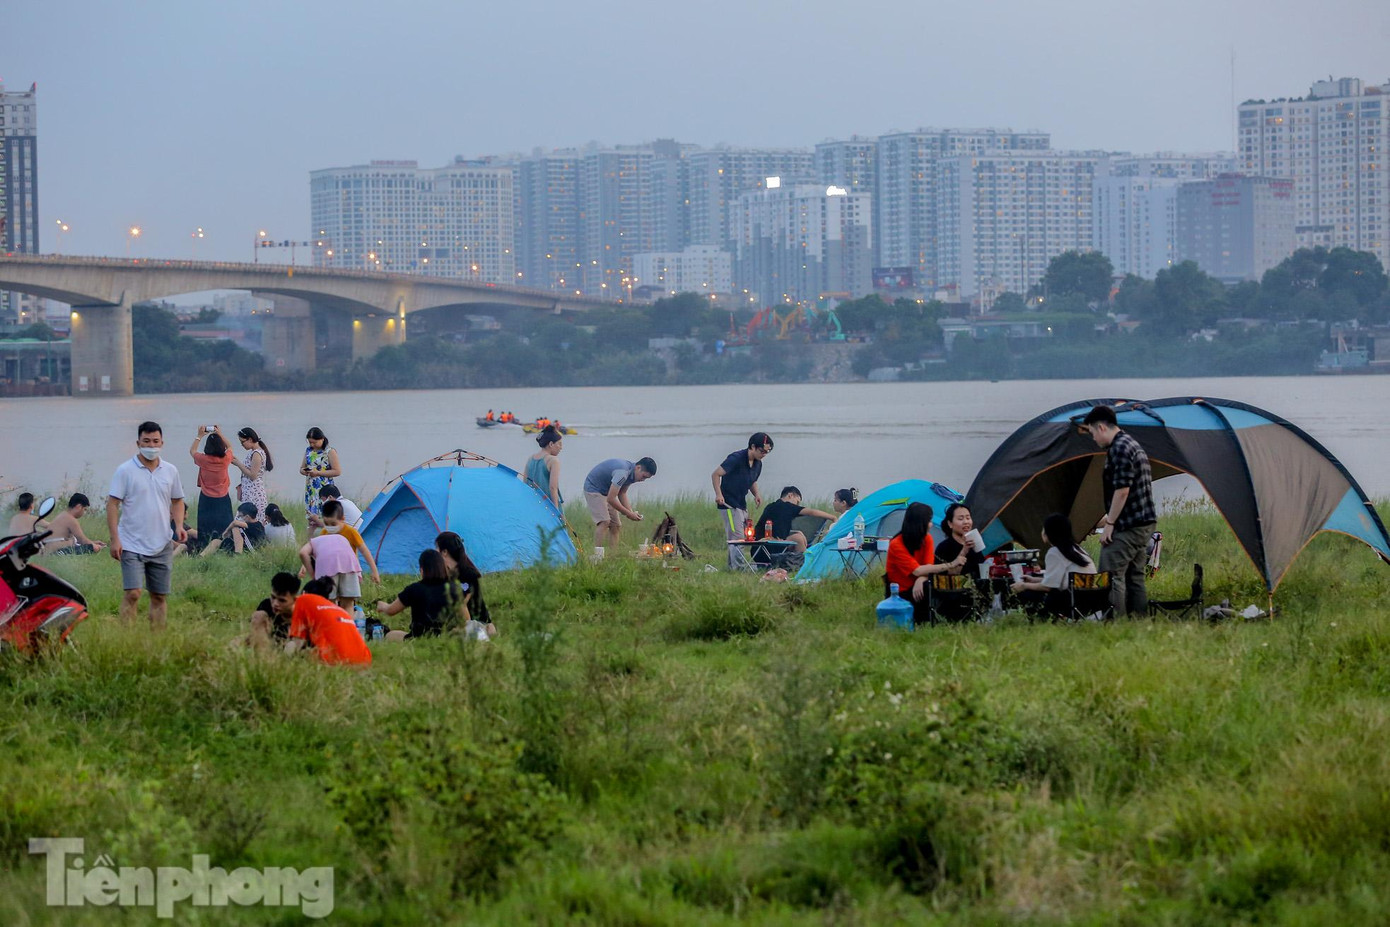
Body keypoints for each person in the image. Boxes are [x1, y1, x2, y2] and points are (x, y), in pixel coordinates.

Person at [108, 421, 187, 629]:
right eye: (146, 441)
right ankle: (128, 639)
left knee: (159, 596)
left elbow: (177, 500)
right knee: (133, 593)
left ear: (162, 442)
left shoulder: (170, 471)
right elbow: (112, 504)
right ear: (138, 442)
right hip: (131, 543)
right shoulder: (125, 470)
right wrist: (115, 539)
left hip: (162, 542)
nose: (151, 446)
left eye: (155, 441)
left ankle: (156, 642)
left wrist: (178, 525)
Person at [1083, 404, 1157, 617]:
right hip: (1144, 522)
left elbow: (1122, 490)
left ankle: (1112, 623)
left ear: (1102, 428)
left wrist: (1110, 524)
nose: (1094, 439)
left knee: (1110, 574)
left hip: (1128, 524)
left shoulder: (1120, 449)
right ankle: (1138, 622)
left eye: (1093, 433)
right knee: (1135, 576)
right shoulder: (1132, 444)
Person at [886, 502, 966, 622]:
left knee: (933, 585)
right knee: (928, 588)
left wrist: (921, 579)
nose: (931, 524)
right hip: (899, 591)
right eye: (929, 521)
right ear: (920, 523)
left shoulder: (927, 539)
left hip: (919, 585)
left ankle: (946, 619)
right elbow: (917, 570)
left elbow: (927, 566)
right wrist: (951, 564)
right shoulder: (896, 544)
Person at [1010, 512, 1096, 616]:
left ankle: (1038, 624)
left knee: (1028, 593)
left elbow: (1048, 587)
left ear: (1048, 532)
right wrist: (1034, 580)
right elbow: (1062, 581)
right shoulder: (1076, 548)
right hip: (1092, 599)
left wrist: (1024, 585)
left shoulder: (1055, 552)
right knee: (1035, 589)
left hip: (1073, 601)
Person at [278, 575, 371, 666]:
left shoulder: (303, 600)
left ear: (303, 593)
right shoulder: (340, 611)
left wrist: (281, 665)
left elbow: (296, 642)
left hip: (336, 664)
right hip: (364, 662)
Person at [712, 433, 773, 568]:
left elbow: (752, 481)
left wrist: (756, 494)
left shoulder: (758, 464)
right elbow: (716, 474)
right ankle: (738, 568)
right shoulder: (736, 458)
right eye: (761, 451)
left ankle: (732, 566)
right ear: (752, 446)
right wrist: (718, 494)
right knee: (737, 537)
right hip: (728, 503)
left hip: (742, 504)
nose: (763, 454)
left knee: (744, 537)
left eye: (767, 452)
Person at [376, 550, 466, 640]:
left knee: (390, 635)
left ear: (422, 570)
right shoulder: (454, 589)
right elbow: (466, 619)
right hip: (442, 638)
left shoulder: (414, 589)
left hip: (417, 639)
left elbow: (391, 611)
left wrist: (382, 606)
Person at [582, 456, 656, 552]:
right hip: (593, 488)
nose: (643, 480)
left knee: (616, 525)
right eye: (643, 476)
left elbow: (622, 493)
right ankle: (597, 556)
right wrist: (628, 514)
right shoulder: (623, 473)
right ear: (638, 467)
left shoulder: (632, 475)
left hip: (607, 491)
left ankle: (613, 555)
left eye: (646, 478)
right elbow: (611, 499)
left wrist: (631, 512)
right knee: (604, 521)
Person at [435, 531, 496, 638]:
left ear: (444, 552)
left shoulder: (468, 574)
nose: (435, 552)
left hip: (475, 621)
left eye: (437, 548)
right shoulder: (442, 574)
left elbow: (462, 604)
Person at [753, 486, 836, 555]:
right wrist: (833, 517)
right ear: (790, 495)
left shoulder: (770, 507)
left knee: (798, 534)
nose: (797, 505)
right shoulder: (788, 506)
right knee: (798, 538)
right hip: (771, 550)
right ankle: (805, 564)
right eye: (797, 501)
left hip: (757, 551)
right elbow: (812, 512)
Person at [190, 425, 235, 549]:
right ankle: (226, 547)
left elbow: (192, 451)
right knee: (225, 525)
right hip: (223, 497)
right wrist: (220, 434)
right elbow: (230, 447)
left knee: (205, 526)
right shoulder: (226, 459)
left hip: (206, 497)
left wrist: (199, 436)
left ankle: (204, 547)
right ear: (221, 446)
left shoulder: (203, 459)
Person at [299, 528, 362, 613]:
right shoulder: (341, 538)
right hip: (350, 565)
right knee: (348, 604)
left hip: (328, 565)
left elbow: (303, 552)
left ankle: (332, 624)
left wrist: (313, 575)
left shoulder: (314, 541)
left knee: (329, 602)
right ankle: (347, 625)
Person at [230, 426, 274, 522]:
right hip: (249, 490)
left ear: (250, 439)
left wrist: (238, 464)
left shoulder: (257, 454)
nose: (242, 445)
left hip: (254, 492)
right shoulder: (254, 452)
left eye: (242, 442)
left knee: (248, 517)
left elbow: (253, 475)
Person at [300, 427, 341, 526]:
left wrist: (318, 473)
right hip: (311, 488)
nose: (312, 445)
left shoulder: (330, 451)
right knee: (311, 516)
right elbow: (301, 468)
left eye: (314, 442)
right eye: (310, 442)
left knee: (326, 514)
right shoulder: (308, 451)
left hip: (324, 486)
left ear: (322, 439)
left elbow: (337, 471)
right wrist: (305, 471)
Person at [934, 502, 987, 577]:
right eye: (960, 519)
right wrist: (964, 551)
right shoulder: (943, 547)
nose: (966, 522)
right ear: (950, 524)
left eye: (968, 518)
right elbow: (951, 574)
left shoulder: (974, 544)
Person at [42, 493, 106, 555]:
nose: (84, 512)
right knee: (90, 548)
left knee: (90, 546)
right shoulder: (71, 519)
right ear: (79, 507)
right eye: (85, 509)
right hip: (55, 551)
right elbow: (82, 540)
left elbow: (77, 541)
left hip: (49, 548)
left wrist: (93, 542)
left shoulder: (63, 514)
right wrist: (96, 547)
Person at [200, 502, 266, 555]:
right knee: (216, 542)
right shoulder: (249, 525)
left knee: (235, 528)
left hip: (251, 551)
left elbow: (234, 523)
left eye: (240, 516)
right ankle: (201, 557)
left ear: (247, 517)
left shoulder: (256, 525)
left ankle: (238, 554)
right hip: (243, 546)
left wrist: (226, 531)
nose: (240, 518)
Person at [525, 425, 564, 509]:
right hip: (547, 506)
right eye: (559, 444)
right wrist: (556, 510)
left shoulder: (530, 459)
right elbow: (553, 487)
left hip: (532, 505)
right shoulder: (553, 460)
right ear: (551, 444)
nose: (561, 448)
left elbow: (525, 483)